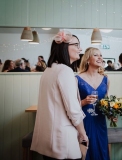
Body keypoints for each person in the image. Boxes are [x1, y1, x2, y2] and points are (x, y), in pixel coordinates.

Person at [31, 30, 88, 160]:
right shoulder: (65, 71)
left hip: (48, 138)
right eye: (77, 45)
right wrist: (83, 134)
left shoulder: (49, 70)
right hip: (62, 140)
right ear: (64, 47)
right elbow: (73, 109)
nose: (80, 49)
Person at [76, 47, 114, 160]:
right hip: (84, 121)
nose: (100, 58)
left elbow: (106, 102)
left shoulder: (106, 79)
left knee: (101, 150)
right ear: (88, 59)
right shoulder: (77, 79)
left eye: (101, 55)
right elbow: (71, 105)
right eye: (96, 55)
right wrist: (84, 101)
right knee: (86, 152)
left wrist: (111, 114)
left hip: (100, 122)